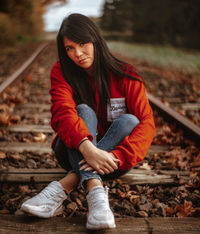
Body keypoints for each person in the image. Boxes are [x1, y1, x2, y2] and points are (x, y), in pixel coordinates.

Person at [20, 13, 155, 230]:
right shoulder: (61, 72)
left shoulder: (126, 74)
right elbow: (62, 112)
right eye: (69, 48)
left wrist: (115, 156)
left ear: (95, 39)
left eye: (82, 43)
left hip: (113, 162)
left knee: (130, 120)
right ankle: (95, 192)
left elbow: (147, 123)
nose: (78, 54)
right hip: (71, 150)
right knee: (82, 110)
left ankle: (65, 185)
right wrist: (87, 148)